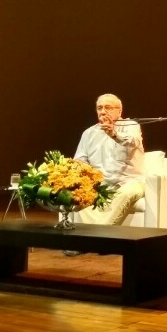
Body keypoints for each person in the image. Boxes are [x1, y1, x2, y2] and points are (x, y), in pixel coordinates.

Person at [64, 93, 145, 255]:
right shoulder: (88, 133)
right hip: (102, 185)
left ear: (119, 111)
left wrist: (113, 134)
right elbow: (80, 160)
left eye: (108, 107)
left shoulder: (131, 126)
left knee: (126, 192)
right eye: (99, 108)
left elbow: (133, 141)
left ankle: (88, 242)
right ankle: (99, 240)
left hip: (131, 182)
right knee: (80, 195)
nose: (103, 111)